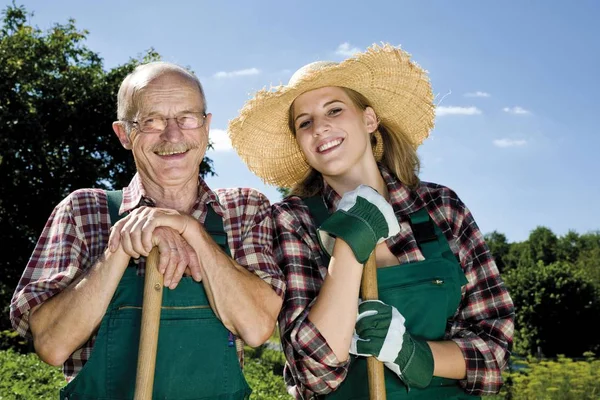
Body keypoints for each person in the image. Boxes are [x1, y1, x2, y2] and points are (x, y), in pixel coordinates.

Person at [228, 44, 515, 399]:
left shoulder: (441, 207)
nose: (320, 127)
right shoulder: (293, 220)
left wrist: (413, 354)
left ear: (368, 119)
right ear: (301, 142)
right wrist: (348, 247)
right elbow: (312, 373)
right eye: (305, 122)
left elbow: (494, 352)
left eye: (334, 110)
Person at [10, 61, 285, 399]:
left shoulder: (244, 209)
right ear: (124, 134)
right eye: (151, 120)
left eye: (186, 118)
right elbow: (52, 345)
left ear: (205, 127)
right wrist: (119, 248)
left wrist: (189, 230)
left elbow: (257, 328)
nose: (173, 135)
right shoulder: (83, 210)